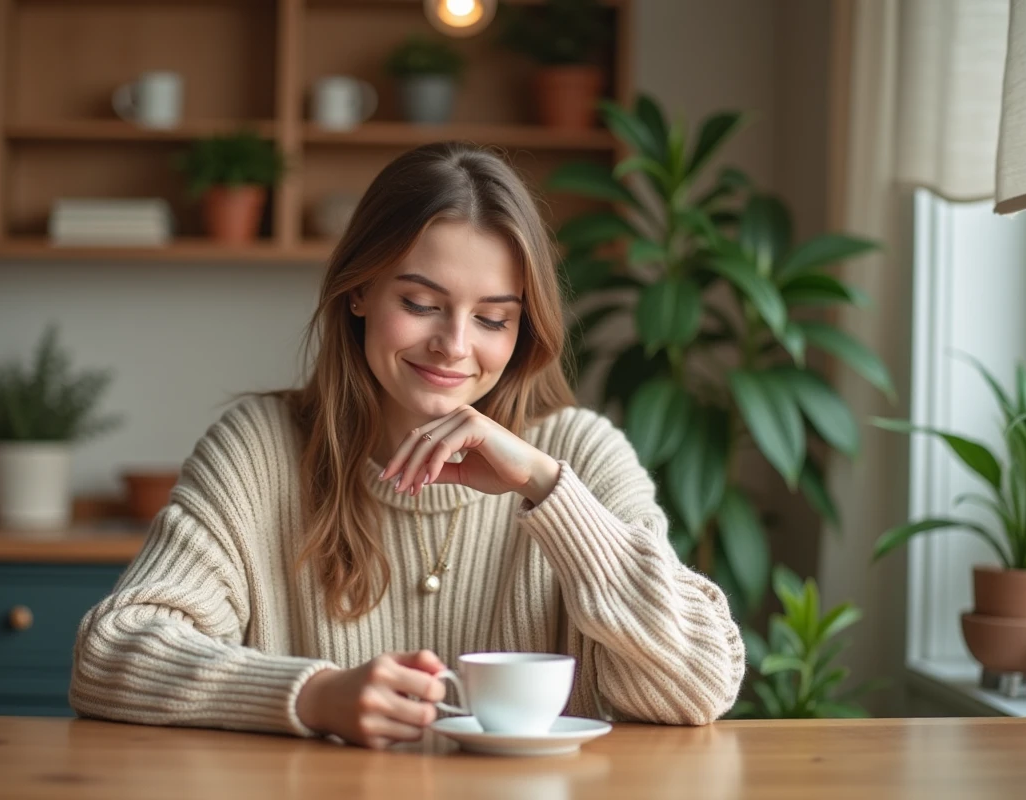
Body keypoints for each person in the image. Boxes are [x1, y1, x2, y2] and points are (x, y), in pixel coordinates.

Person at [70, 142, 746, 750]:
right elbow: (110, 657)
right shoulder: (260, 450)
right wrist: (311, 696)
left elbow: (699, 687)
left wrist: (548, 491)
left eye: (491, 318)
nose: (455, 346)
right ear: (359, 290)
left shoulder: (579, 455)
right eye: (422, 303)